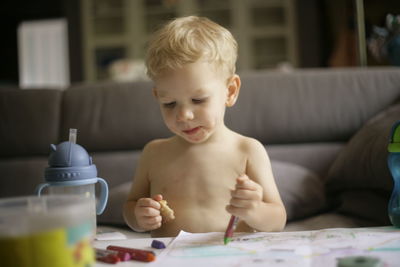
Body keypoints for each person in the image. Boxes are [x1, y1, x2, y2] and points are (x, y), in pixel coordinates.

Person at [123, 16, 286, 237]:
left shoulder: (247, 150)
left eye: (198, 100)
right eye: (169, 104)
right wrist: (139, 216)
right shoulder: (154, 153)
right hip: (170, 257)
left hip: (232, 256)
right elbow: (130, 208)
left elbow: (278, 219)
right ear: (157, 96)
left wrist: (255, 210)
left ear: (230, 91)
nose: (184, 115)